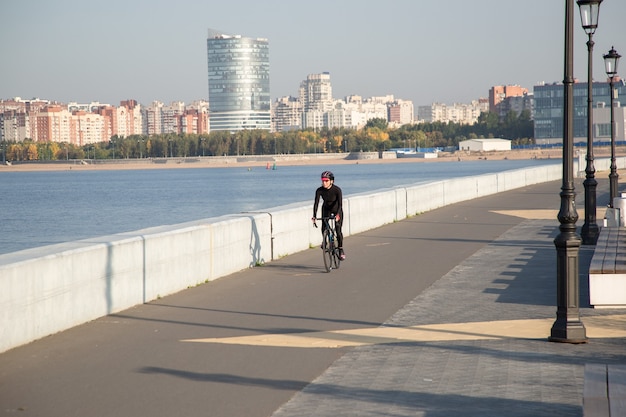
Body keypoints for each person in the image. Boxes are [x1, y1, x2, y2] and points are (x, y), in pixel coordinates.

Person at [312, 170, 345, 260]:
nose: (324, 183)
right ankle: (325, 241)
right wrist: (314, 216)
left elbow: (340, 203)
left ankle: (341, 249)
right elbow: (316, 203)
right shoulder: (319, 190)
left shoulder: (337, 190)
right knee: (324, 225)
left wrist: (338, 214)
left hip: (336, 209)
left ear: (331, 181)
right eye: (323, 181)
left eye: (326, 181)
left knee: (338, 229)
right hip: (326, 208)